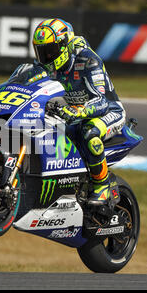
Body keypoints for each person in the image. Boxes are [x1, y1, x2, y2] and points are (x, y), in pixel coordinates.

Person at [32, 18, 126, 206]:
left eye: (50, 51)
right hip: (76, 114)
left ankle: (102, 186)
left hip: (108, 112)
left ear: (64, 45)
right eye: (42, 52)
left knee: (89, 133)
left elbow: (102, 101)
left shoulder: (88, 60)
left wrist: (79, 110)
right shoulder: (46, 67)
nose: (47, 57)